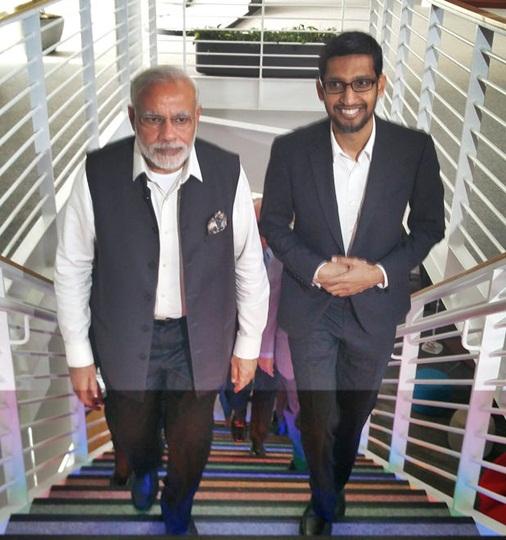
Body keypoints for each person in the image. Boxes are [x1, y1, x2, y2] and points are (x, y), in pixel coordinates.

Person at [54, 66, 269, 536]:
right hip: (126, 337)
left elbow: (248, 264)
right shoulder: (97, 174)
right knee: (131, 430)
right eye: (153, 119)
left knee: (193, 446)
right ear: (133, 117)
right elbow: (72, 268)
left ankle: (178, 511)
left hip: (200, 341)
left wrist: (248, 345)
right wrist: (79, 355)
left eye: (181, 119)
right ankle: (145, 467)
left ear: (197, 117)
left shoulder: (227, 171)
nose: (168, 134)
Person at [260, 31, 445, 535]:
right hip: (312, 306)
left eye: (361, 83)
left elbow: (430, 226)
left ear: (380, 85)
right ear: (320, 89)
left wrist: (378, 273)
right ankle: (321, 502)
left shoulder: (414, 149)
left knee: (354, 414)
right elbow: (274, 224)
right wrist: (318, 271)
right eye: (337, 85)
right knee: (318, 417)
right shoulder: (291, 149)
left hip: (375, 309)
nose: (349, 97)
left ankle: (335, 482)